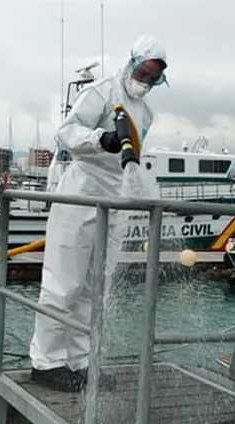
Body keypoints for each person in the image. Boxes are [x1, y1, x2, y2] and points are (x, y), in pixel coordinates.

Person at [29, 35, 168, 391]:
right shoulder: (103, 92)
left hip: (115, 197)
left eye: (153, 78)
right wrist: (100, 139)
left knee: (95, 287)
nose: (146, 81)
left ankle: (81, 361)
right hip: (81, 193)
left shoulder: (146, 113)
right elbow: (67, 132)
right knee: (63, 283)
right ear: (132, 61)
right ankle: (47, 363)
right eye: (143, 72)